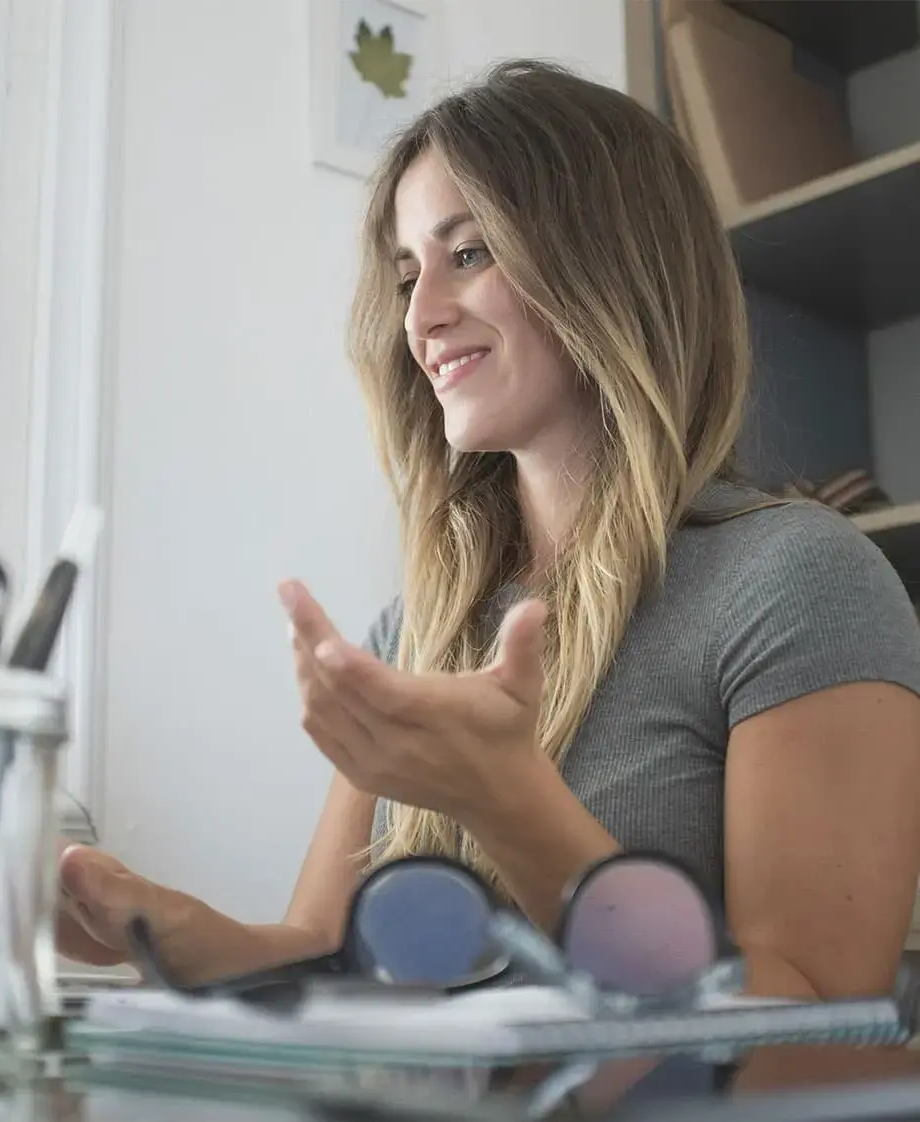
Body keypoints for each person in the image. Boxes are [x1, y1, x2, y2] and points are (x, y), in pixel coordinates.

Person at [59, 59, 920, 1001]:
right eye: (405, 275)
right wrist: (155, 924)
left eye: (467, 254)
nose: (420, 317)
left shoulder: (797, 582)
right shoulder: (415, 627)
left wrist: (507, 800)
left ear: (610, 262)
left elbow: (817, 1033)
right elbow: (320, 954)